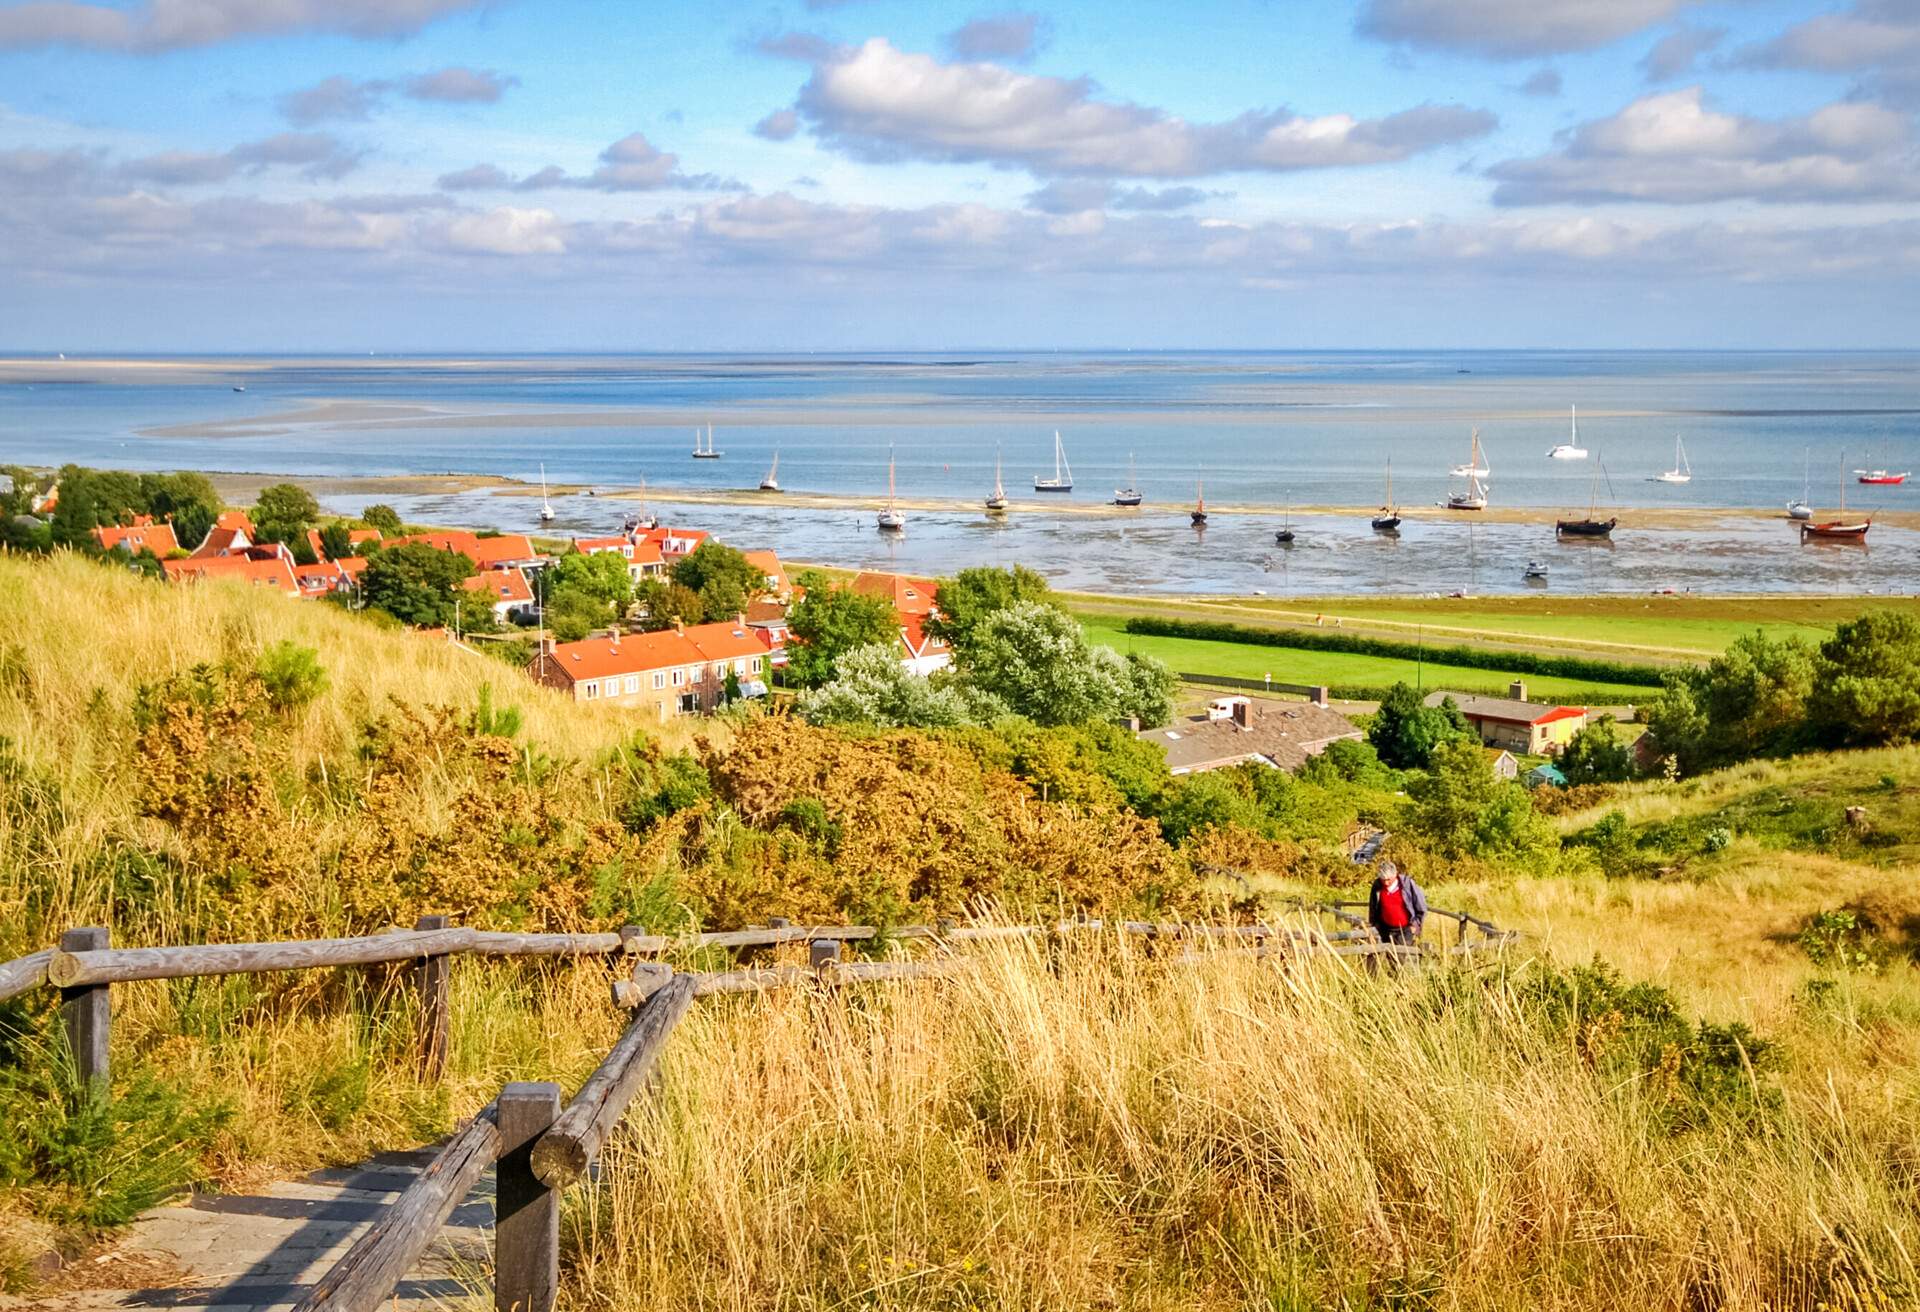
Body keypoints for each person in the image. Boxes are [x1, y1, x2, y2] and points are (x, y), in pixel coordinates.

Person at [1368, 859, 1427, 947]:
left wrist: (1415, 925)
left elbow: (1421, 906)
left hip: (1405, 929)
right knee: (1388, 955)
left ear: (1395, 875)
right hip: (1385, 928)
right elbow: (1373, 906)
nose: (1386, 882)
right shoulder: (1378, 886)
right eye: (1383, 879)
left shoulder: (1407, 884)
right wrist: (1373, 924)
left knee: (1401, 956)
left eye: (1388, 879)